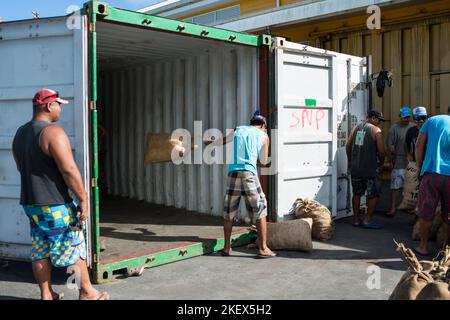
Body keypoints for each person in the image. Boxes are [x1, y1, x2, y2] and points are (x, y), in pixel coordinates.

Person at [12, 89, 109, 300]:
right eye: (58, 104)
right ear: (48, 106)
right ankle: (87, 293)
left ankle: (47, 295)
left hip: (31, 204)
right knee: (73, 247)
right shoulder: (52, 132)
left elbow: (21, 167)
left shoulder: (20, 133)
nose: (60, 109)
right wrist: (83, 198)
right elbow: (69, 170)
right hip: (54, 204)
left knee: (40, 249)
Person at [207, 111, 275, 258]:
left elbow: (222, 141)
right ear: (263, 125)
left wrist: (210, 143)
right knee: (260, 208)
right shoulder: (264, 136)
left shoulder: (239, 129)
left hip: (233, 173)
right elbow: (263, 161)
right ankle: (263, 248)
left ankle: (226, 248)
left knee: (229, 211)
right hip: (249, 173)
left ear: (251, 123)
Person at [414, 114, 450, 256]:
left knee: (426, 212)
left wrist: (418, 166)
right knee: (448, 215)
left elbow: (418, 145)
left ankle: (423, 246)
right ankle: (445, 249)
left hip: (431, 173)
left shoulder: (432, 120)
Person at [346, 110, 386, 229]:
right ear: (373, 118)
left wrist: (350, 161)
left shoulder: (356, 128)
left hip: (356, 168)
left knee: (357, 193)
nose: (379, 123)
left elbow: (348, 145)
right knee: (374, 194)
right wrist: (381, 163)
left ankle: (356, 220)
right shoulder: (376, 130)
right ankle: (367, 220)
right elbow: (382, 151)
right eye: (379, 120)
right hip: (370, 169)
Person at [385, 107, 414, 217]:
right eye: (404, 117)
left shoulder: (413, 127)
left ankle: (410, 206)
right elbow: (390, 145)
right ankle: (393, 207)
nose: (406, 119)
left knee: (411, 185)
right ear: (400, 117)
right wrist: (391, 159)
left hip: (411, 161)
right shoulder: (394, 128)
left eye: (408, 117)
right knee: (395, 186)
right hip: (398, 160)